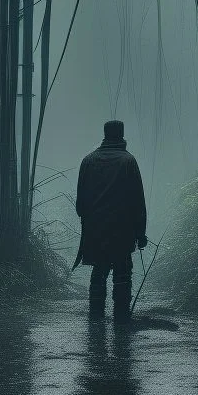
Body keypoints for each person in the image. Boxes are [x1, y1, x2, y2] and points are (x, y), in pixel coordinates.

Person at [73, 120, 147, 321]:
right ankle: (121, 320)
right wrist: (140, 233)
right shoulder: (128, 161)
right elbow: (138, 202)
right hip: (122, 232)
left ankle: (95, 321)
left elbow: (80, 205)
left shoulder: (88, 161)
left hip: (95, 231)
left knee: (99, 272)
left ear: (104, 135)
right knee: (122, 274)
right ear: (122, 135)